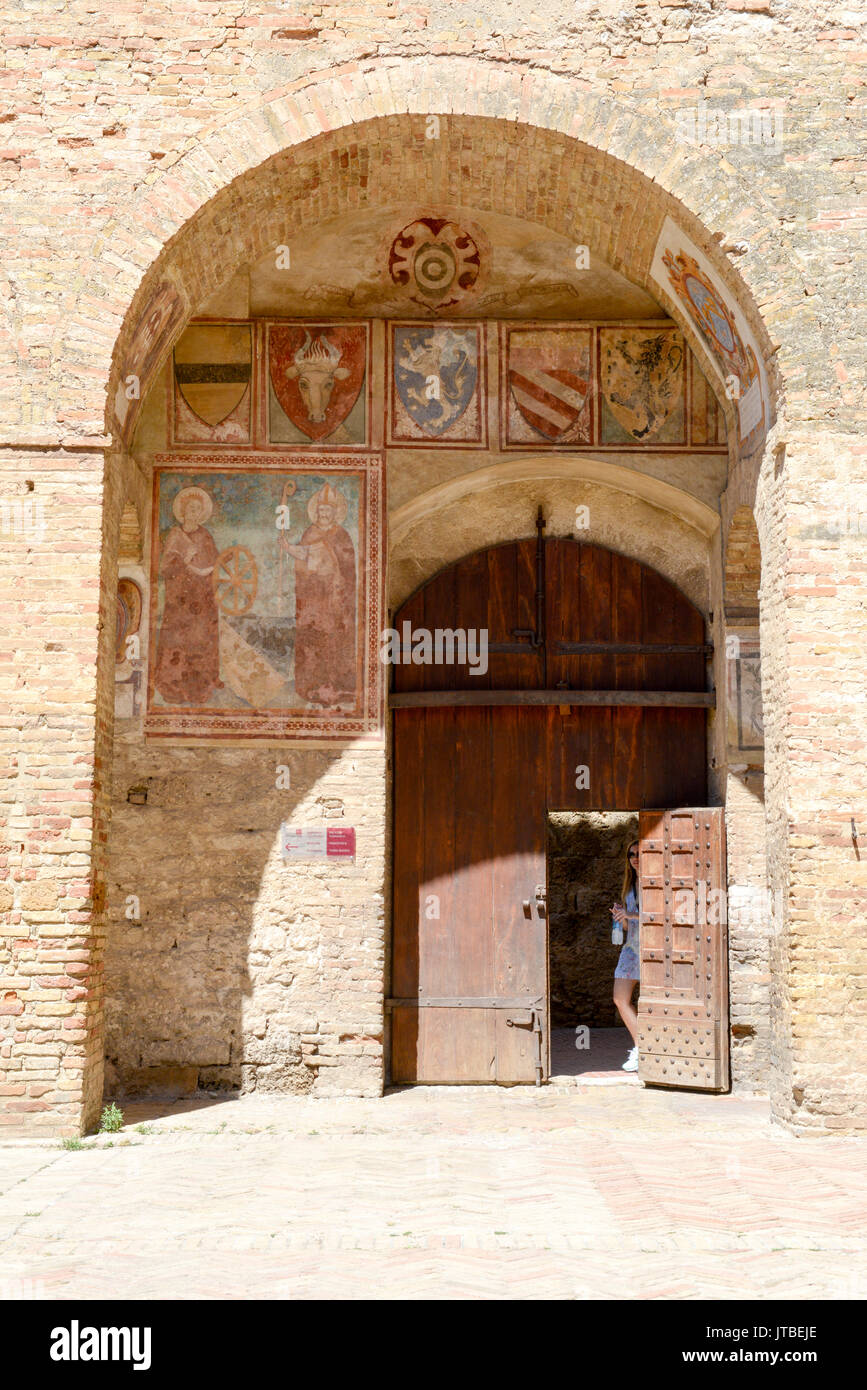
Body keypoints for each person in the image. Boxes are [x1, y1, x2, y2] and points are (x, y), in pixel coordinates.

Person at [280, 482, 356, 706]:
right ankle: (311, 684)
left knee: (334, 641)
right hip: (313, 601)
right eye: (321, 510)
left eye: (328, 511)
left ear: (335, 513)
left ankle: (335, 683)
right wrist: (289, 549)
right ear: (316, 512)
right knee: (312, 641)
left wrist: (332, 566)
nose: (324, 514)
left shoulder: (342, 535)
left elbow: (348, 566)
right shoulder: (310, 533)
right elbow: (303, 563)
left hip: (335, 600)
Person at [154, 486, 222, 704]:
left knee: (200, 639)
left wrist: (211, 571)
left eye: (198, 509)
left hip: (202, 600)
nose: (194, 512)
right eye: (191, 508)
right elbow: (165, 567)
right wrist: (184, 562)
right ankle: (173, 687)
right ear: (183, 511)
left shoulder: (205, 536)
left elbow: (216, 563)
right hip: (180, 601)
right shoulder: (175, 535)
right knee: (178, 641)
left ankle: (200, 687)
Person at [611, 840, 641, 1072]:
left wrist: (629, 915)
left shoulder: (656, 882)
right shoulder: (629, 886)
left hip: (654, 949)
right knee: (620, 998)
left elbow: (658, 915)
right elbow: (629, 925)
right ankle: (642, 1047)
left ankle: (645, 1051)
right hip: (631, 948)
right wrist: (621, 919)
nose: (635, 858)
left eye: (641, 853)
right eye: (631, 854)